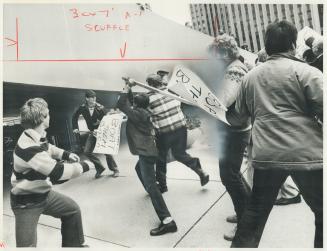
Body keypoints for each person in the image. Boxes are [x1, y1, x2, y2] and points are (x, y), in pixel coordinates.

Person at [227, 20, 323, 248]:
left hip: (266, 156)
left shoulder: (250, 77)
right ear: (293, 44)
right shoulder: (308, 72)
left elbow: (238, 118)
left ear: (266, 45)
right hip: (306, 155)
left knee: (254, 215)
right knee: (323, 212)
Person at [11, 98, 94, 247]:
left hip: (43, 194)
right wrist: (85, 165)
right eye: (48, 114)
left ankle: (73, 246)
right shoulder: (28, 147)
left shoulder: (34, 135)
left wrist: (65, 154)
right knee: (26, 247)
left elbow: (48, 148)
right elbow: (58, 172)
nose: (50, 116)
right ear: (42, 118)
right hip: (26, 202)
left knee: (72, 211)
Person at [116, 80, 177, 236]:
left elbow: (122, 104)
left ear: (136, 105)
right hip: (150, 150)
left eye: (134, 102)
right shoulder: (143, 111)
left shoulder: (137, 114)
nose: (132, 103)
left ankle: (168, 221)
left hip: (147, 153)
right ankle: (152, 190)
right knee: (138, 169)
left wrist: (127, 88)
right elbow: (129, 102)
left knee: (151, 185)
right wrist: (130, 90)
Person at [207, 34, 252, 241]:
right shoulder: (234, 66)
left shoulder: (233, 69)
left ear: (223, 51)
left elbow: (224, 100)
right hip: (235, 128)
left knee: (229, 176)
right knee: (233, 173)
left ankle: (246, 222)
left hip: (235, 130)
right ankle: (249, 212)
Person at [146, 73, 209, 193]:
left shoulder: (149, 99)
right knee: (180, 154)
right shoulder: (173, 92)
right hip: (180, 129)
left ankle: (162, 186)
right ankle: (199, 170)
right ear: (160, 82)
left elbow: (141, 110)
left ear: (149, 84)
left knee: (161, 158)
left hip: (164, 133)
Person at [72, 90, 119, 179]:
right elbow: (74, 117)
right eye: (91, 98)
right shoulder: (82, 108)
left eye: (95, 98)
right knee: (87, 151)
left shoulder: (100, 108)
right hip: (92, 132)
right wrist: (75, 128)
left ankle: (115, 169)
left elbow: (108, 120)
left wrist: (101, 129)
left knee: (107, 152)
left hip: (102, 132)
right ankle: (100, 168)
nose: (94, 100)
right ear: (87, 99)